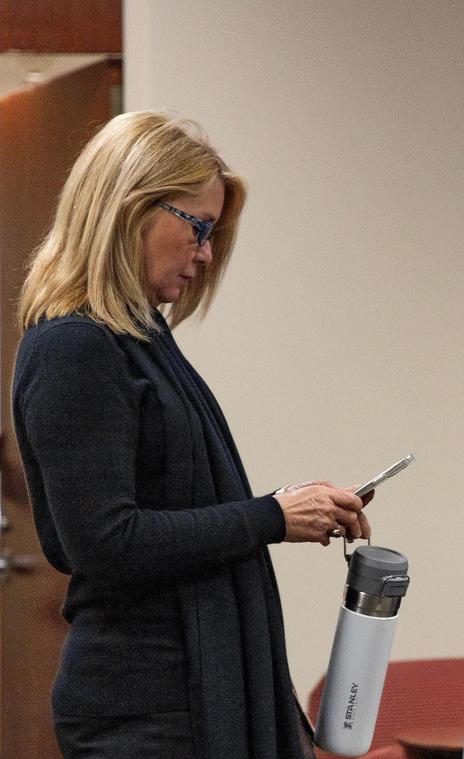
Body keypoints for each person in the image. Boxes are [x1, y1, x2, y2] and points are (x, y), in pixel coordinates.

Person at [13, 111, 371, 759]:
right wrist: (270, 516)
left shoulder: (141, 340)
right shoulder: (74, 347)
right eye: (198, 228)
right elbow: (103, 542)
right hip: (147, 707)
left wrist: (287, 506)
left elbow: (170, 507)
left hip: (179, 693)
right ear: (130, 210)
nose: (206, 254)